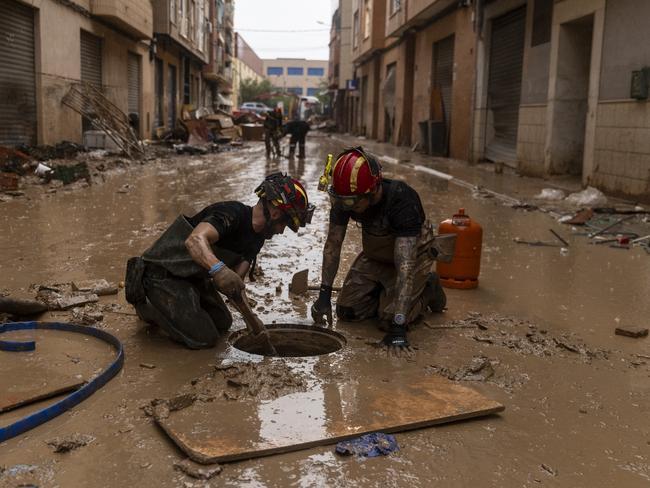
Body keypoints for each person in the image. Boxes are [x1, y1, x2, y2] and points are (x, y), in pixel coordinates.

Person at [125, 173, 315, 349]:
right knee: (204, 338)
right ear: (275, 213)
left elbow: (235, 287)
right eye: (285, 223)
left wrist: (252, 320)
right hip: (161, 274)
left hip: (192, 278)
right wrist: (218, 269)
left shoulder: (257, 239)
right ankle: (147, 306)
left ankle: (176, 304)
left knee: (224, 323)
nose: (281, 231)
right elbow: (194, 240)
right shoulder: (231, 213)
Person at [310, 147, 446, 352]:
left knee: (389, 320)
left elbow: (405, 267)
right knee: (347, 311)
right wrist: (324, 295)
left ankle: (429, 288)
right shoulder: (345, 198)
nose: (346, 207)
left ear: (372, 191)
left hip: (412, 256)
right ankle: (384, 295)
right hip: (377, 253)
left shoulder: (402, 201)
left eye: (352, 203)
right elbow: (333, 246)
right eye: (342, 202)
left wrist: (399, 326)